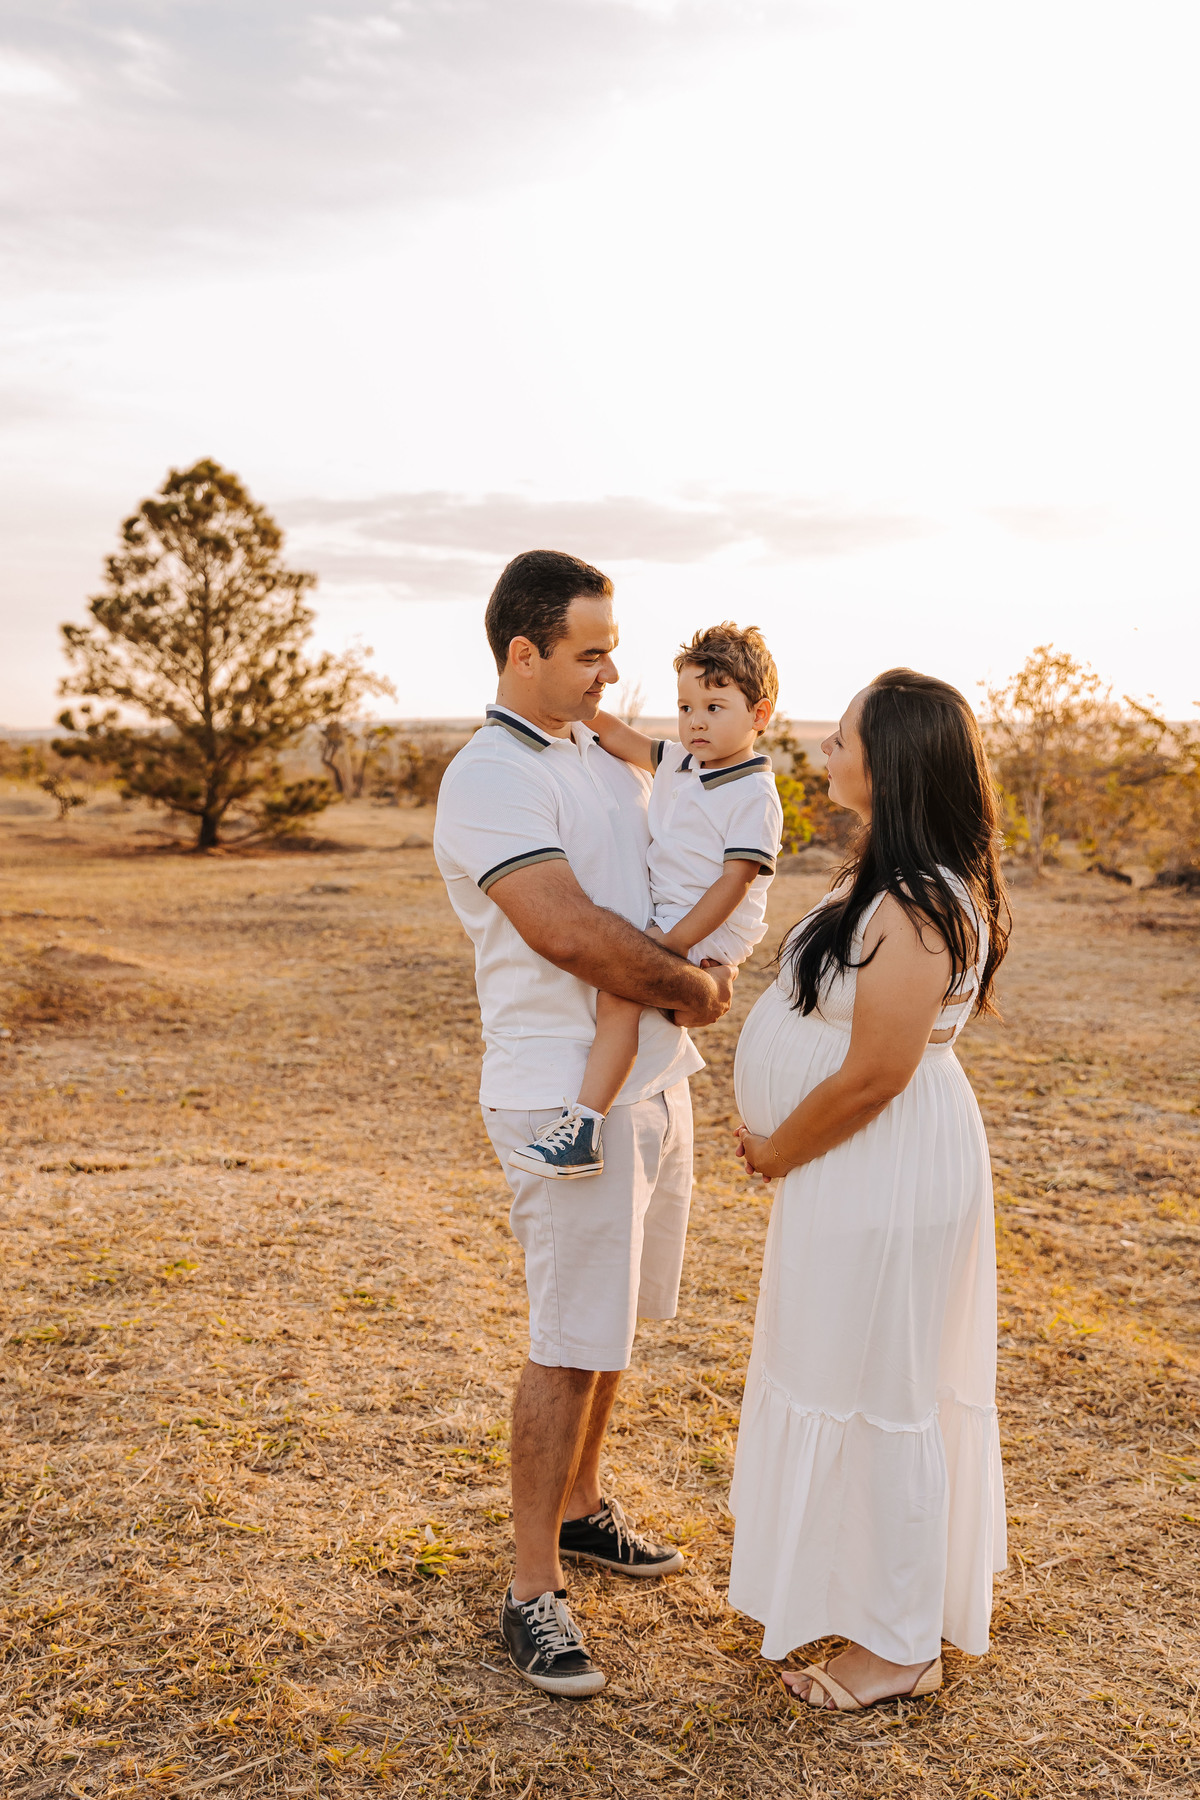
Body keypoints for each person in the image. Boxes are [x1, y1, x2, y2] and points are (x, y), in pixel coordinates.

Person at [433, 550, 736, 1698]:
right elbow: (564, 927)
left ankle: (580, 1506)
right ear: (525, 653)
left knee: (612, 1326)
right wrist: (695, 986)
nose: (612, 671)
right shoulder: (490, 777)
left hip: (654, 1078)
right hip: (564, 1091)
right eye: (591, 652)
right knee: (566, 1339)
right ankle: (531, 1588)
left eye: (613, 648)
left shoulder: (592, 751)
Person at [728, 669, 1010, 1712]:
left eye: (841, 738)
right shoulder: (891, 880)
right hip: (857, 1163)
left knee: (881, 1384)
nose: (826, 750)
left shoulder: (922, 902)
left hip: (882, 1161)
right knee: (846, 1369)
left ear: (888, 763)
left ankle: (899, 1647)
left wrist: (778, 1149)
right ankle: (869, 1601)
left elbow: (877, 1073)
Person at [508, 621, 783, 1180]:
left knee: (621, 992)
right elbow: (618, 734)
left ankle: (584, 1128)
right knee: (645, 1000)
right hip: (673, 916)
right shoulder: (681, 762)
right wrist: (572, 704)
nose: (696, 721)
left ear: (759, 715)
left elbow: (735, 882)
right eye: (685, 707)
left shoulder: (753, 793)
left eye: (714, 707)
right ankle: (591, 1120)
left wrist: (672, 943)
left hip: (709, 924)